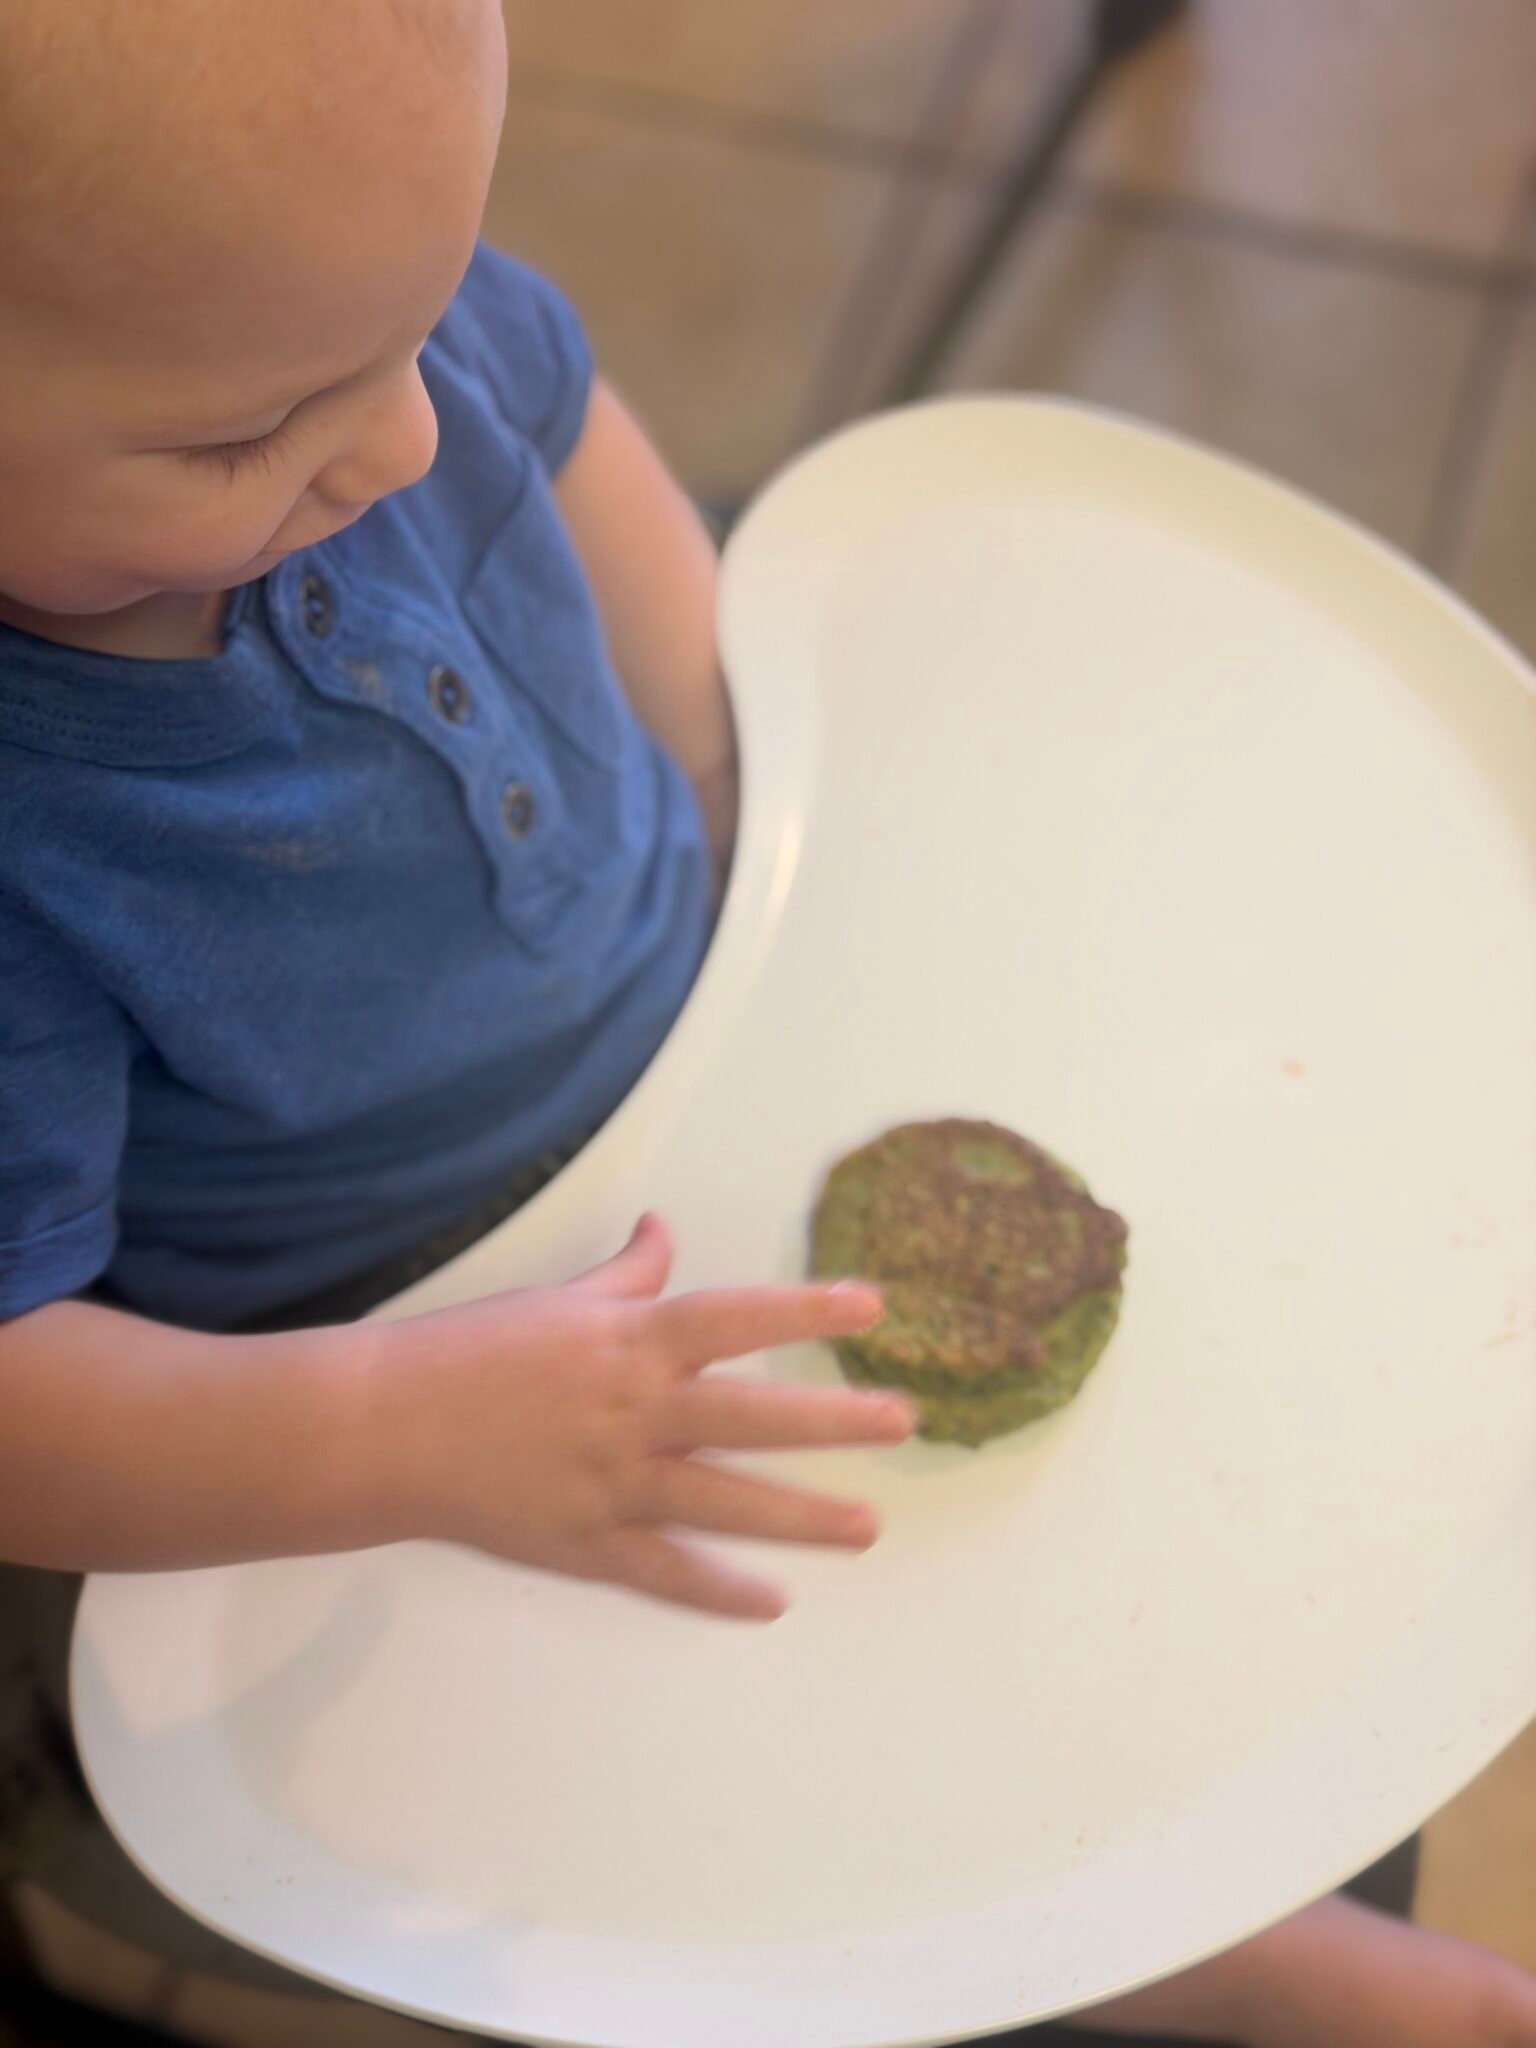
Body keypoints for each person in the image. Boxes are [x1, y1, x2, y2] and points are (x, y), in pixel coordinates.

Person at [0, 6, 1531, 2044]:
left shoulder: (347, 335)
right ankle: (1228, 1978)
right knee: (762, 1732)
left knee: (1071, 1506)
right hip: (396, 1359)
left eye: (424, 309)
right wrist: (416, 1433)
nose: (404, 444)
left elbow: (558, 416)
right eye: (242, 435)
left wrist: (732, 759)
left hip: (709, 1022)